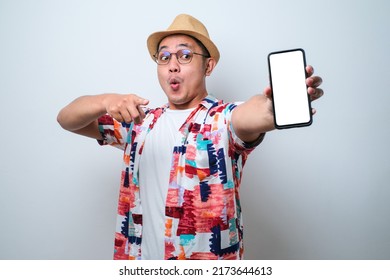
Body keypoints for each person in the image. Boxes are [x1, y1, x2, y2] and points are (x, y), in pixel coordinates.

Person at [57, 14, 324, 260]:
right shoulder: (139, 123)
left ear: (208, 66)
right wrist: (106, 100)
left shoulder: (223, 119)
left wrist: (272, 108)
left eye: (184, 56)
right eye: (164, 58)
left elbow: (251, 114)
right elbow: (67, 119)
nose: (172, 66)